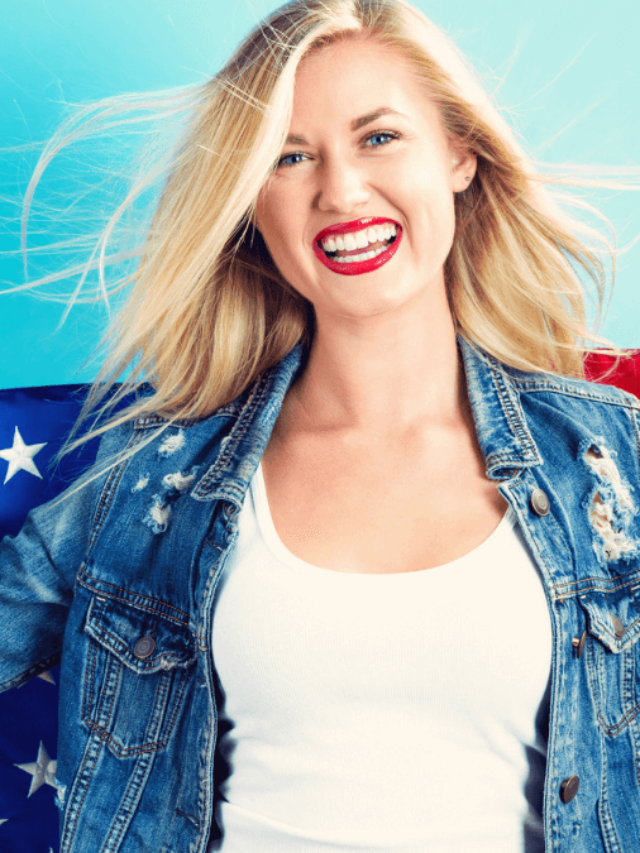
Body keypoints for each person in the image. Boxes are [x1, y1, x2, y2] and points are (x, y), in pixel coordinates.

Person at [1, 0, 639, 851]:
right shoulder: (144, 477)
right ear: (249, 208)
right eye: (288, 156)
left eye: (379, 137)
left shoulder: (612, 463)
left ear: (459, 154)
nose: (340, 190)